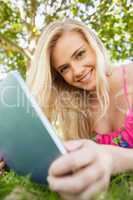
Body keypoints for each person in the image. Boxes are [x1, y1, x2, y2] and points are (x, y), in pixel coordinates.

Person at [1, 18, 133, 200]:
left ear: (94, 45)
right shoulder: (77, 111)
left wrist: (113, 158)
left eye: (80, 54)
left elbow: (110, 157)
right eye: (64, 69)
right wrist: (9, 156)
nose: (77, 71)